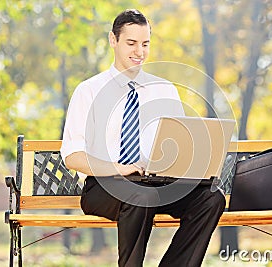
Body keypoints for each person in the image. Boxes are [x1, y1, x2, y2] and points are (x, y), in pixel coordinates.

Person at [61, 9, 225, 267]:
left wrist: (188, 162)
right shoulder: (89, 91)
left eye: (145, 44)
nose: (140, 51)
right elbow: (73, 156)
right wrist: (120, 168)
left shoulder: (164, 89)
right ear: (113, 40)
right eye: (131, 43)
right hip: (104, 185)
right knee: (139, 194)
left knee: (211, 198)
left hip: (155, 184)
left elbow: (180, 146)